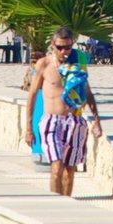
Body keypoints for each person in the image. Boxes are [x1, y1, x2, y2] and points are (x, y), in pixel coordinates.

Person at [26, 31, 101, 195]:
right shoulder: (44, 65)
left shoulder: (77, 64)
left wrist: (96, 119)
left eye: (67, 47)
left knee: (69, 170)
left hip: (74, 121)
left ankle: (67, 203)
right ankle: (55, 204)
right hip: (52, 121)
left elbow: (87, 92)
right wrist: (28, 129)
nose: (64, 51)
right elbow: (31, 95)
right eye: (60, 47)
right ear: (53, 45)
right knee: (56, 166)